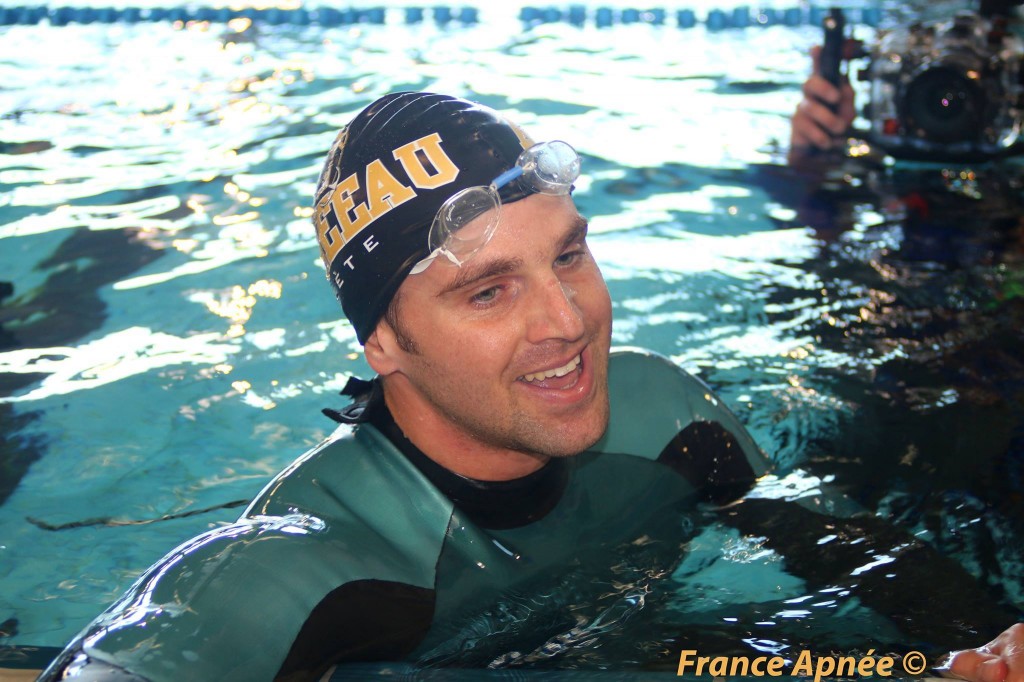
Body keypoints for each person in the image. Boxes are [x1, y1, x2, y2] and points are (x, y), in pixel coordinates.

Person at [37, 92, 1022, 682]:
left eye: (569, 255)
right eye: (487, 290)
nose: (567, 321)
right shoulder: (292, 572)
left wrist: (985, 647)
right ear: (382, 338)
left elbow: (846, 552)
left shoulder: (663, 412)